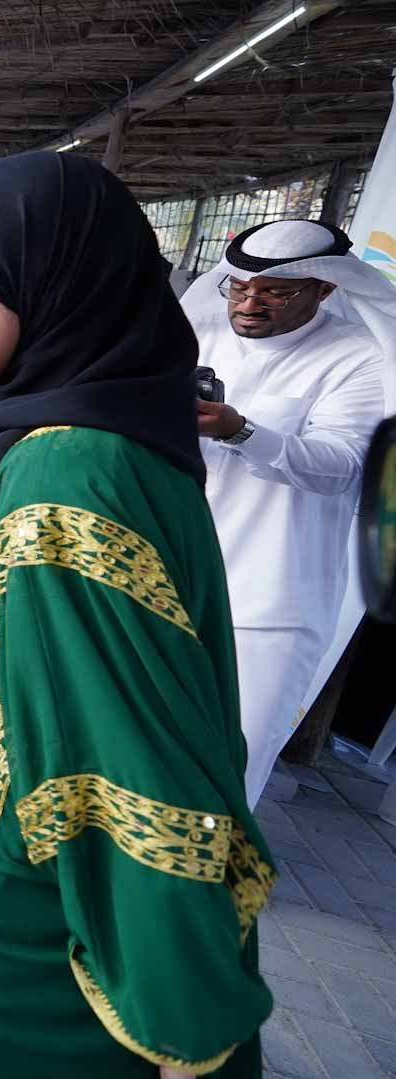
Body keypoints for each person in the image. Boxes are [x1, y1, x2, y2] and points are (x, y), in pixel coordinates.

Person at [0, 150, 274, 1079]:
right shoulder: (81, 434)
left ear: (43, 287)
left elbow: (135, 784)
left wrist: (184, 1035)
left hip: (11, 958)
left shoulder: (64, 486)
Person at [181, 219, 393, 806]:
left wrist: (241, 430)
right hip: (167, 581)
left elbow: (343, 466)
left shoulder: (360, 356)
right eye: (239, 288)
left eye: (275, 292)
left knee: (228, 775)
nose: (250, 304)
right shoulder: (196, 335)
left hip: (269, 608)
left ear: (324, 288)